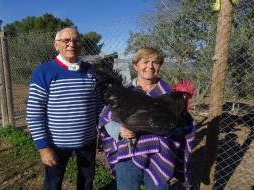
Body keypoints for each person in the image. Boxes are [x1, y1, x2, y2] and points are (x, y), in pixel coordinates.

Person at [98, 47, 196, 190]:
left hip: (160, 156)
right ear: (135, 65)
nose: (150, 66)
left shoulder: (170, 93)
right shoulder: (123, 91)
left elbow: (187, 128)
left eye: (155, 62)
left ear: (160, 66)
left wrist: (174, 130)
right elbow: (104, 119)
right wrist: (119, 130)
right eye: (145, 62)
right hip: (127, 153)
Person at [26, 27, 103, 190]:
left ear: (81, 45)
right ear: (56, 45)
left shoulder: (91, 71)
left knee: (87, 180)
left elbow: (98, 106)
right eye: (66, 40)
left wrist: (102, 133)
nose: (71, 44)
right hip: (56, 144)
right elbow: (34, 113)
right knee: (53, 183)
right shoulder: (44, 72)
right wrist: (43, 147)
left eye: (76, 40)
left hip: (87, 141)